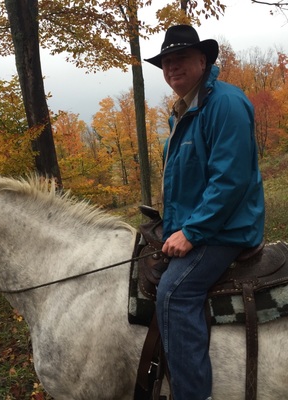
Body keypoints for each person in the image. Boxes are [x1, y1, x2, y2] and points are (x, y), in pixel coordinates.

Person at [145, 25, 265, 400]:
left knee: (174, 293)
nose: (171, 67)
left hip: (226, 229)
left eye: (180, 58)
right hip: (198, 224)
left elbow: (229, 181)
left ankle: (193, 394)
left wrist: (192, 233)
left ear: (203, 60)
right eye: (166, 62)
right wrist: (170, 228)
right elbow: (186, 184)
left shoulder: (225, 103)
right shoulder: (183, 112)